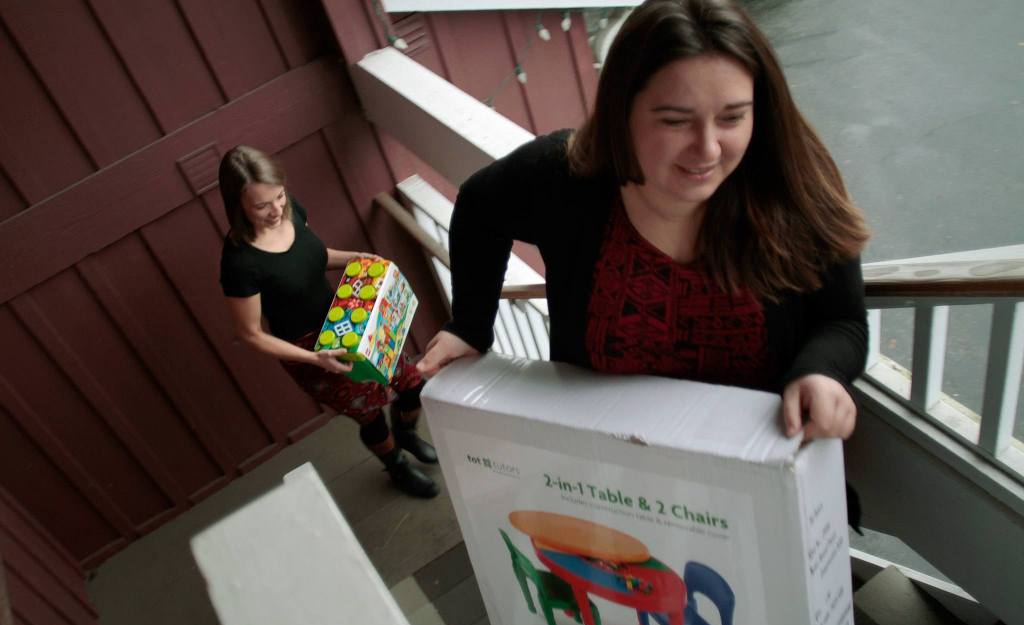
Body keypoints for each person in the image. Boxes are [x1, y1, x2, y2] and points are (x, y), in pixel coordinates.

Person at [417, 0, 871, 446]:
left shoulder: (795, 186)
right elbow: (479, 206)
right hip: (608, 465)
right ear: (622, 111)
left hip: (755, 466)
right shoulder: (565, 178)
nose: (708, 148)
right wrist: (470, 325)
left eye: (732, 117)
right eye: (676, 121)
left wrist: (821, 371)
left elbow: (842, 320)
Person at [218, 145, 440, 498]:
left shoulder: (291, 211)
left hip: (347, 319)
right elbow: (251, 334)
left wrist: (359, 257)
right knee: (369, 414)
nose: (275, 210)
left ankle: (407, 433)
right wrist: (313, 358)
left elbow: (315, 256)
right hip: (308, 348)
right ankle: (396, 465)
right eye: (261, 205)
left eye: (279, 196)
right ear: (237, 205)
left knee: (411, 384)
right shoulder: (240, 263)